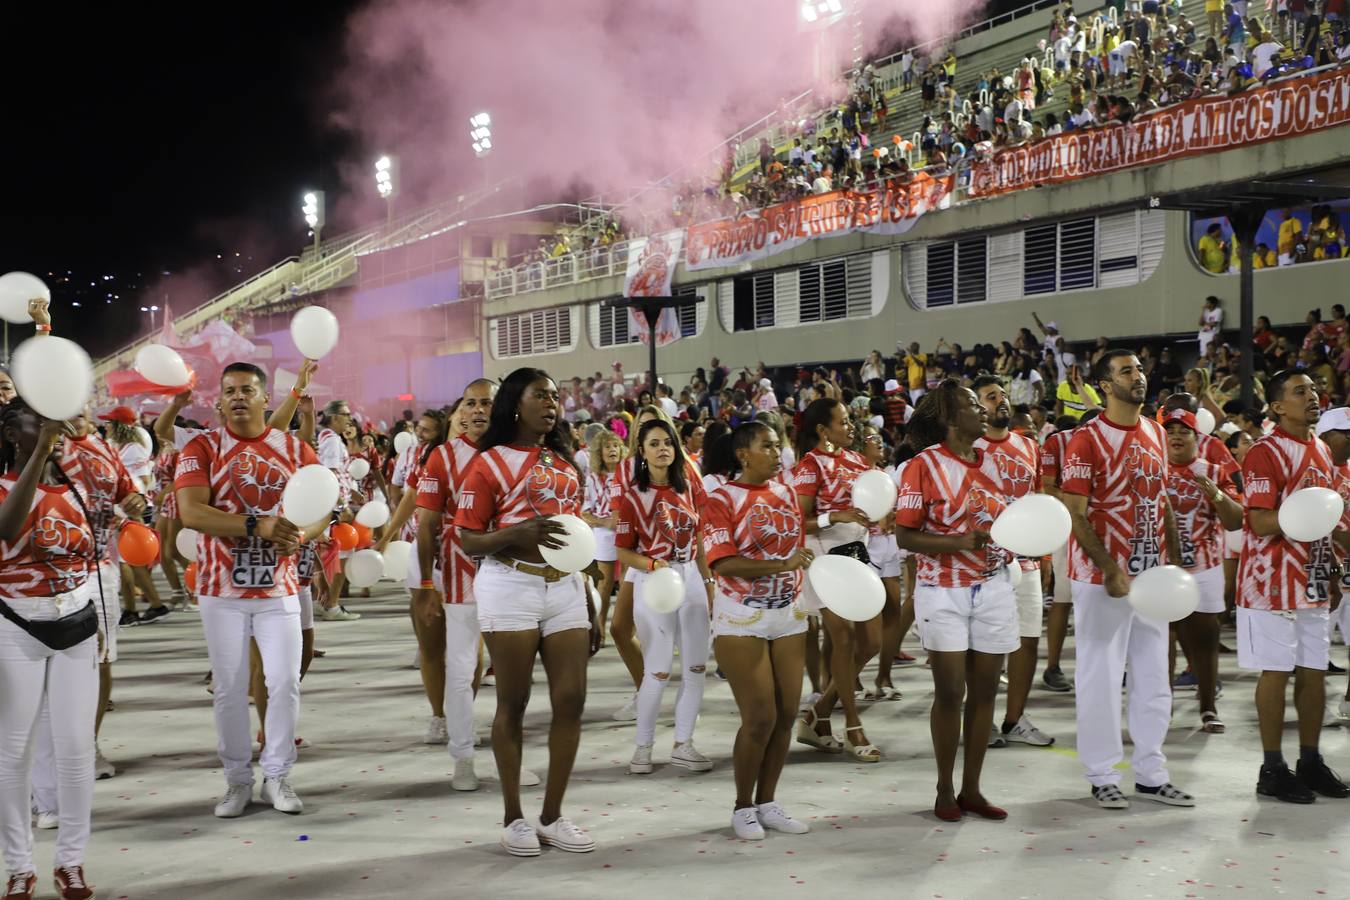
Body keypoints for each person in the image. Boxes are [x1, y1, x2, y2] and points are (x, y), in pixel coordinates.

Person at [456, 367, 598, 857]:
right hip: (510, 585)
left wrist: (590, 598)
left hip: (566, 588)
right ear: (516, 403)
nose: (553, 402)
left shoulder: (564, 462)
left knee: (572, 699)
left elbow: (574, 535)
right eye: (542, 395)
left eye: (556, 395)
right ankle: (514, 817)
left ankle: (554, 816)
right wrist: (516, 533)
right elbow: (467, 537)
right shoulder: (487, 463)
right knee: (512, 703)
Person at [175, 362, 323, 818]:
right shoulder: (202, 448)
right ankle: (237, 780)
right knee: (230, 688)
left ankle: (277, 775)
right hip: (221, 592)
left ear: (266, 400)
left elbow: (322, 508)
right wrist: (258, 525)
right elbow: (192, 513)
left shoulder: (295, 449)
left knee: (284, 684)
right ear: (219, 402)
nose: (238, 397)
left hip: (279, 588)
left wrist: (299, 535)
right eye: (230, 391)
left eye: (248, 390)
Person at [1060, 349, 1195, 810]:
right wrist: (1109, 567)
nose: (1137, 377)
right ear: (1104, 385)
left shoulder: (1156, 432)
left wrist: (1174, 555)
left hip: (1152, 575)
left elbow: (1163, 499)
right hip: (1103, 579)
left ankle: (1152, 773)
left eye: (1139, 370)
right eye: (1125, 372)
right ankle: (1101, 774)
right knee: (1099, 676)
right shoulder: (1087, 440)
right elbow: (1074, 515)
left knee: (1155, 676)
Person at [895, 380, 1018, 821]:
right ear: (950, 418)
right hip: (941, 591)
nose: (983, 411)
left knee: (985, 692)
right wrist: (959, 541)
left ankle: (973, 790)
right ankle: (944, 789)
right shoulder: (922, 466)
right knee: (951, 692)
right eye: (972, 405)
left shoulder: (996, 464)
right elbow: (904, 534)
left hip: (995, 587)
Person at [0, 397, 103, 900]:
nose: (45, 428)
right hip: (17, 627)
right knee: (12, 754)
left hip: (76, 628)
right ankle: (19, 865)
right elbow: (7, 528)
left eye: (48, 421)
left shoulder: (74, 490)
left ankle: (72, 861)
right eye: (32, 421)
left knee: (76, 749)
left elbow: (88, 556)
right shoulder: (3, 488)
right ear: (9, 435)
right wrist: (41, 453)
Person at [1236, 370, 1350, 803]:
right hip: (1269, 582)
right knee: (1277, 671)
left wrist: (1334, 569)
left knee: (1315, 671)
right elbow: (1259, 519)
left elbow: (1327, 520)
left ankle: (1310, 759)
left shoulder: (1322, 449)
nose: (1312, 396)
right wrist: (1299, 520)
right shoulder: (1264, 452)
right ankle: (1272, 767)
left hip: (1313, 578)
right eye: (1299, 392)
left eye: (1315, 389)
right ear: (1278, 407)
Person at [704, 420, 815, 840]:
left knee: (787, 714)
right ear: (742, 454)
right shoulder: (720, 499)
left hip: (789, 613)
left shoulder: (786, 492)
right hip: (740, 618)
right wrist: (780, 566)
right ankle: (742, 806)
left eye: (778, 445)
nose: (776, 452)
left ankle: (768, 802)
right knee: (759, 718)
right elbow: (722, 562)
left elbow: (801, 540)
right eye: (766, 446)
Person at [415, 379, 502, 791]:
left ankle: (508, 756)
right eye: (472, 403)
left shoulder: (519, 452)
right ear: (460, 412)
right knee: (462, 665)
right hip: (458, 572)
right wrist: (427, 584)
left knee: (509, 669)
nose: (480, 410)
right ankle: (463, 757)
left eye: (489, 402)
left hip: (512, 572)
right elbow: (427, 524)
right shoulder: (441, 457)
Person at [617, 419, 715, 775]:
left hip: (690, 577)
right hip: (653, 582)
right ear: (641, 451)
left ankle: (683, 744)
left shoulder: (689, 487)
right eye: (654, 443)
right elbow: (622, 551)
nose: (662, 449)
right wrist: (652, 563)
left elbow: (701, 538)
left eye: (668, 443)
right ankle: (642, 748)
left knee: (696, 668)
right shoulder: (633, 496)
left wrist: (707, 581)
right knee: (656, 671)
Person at [792, 399, 881, 762]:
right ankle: (853, 726)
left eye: (849, 421)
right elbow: (796, 520)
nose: (850, 427)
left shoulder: (858, 462)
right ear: (822, 430)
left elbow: (868, 504)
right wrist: (834, 516)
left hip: (858, 555)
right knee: (841, 637)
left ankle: (817, 714)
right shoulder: (809, 466)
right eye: (842, 422)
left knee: (872, 642)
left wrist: (876, 517)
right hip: (825, 559)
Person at [970, 376, 1053, 748]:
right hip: (984, 561)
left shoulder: (1028, 446)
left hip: (1027, 559)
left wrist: (1046, 553)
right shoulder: (970, 449)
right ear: (976, 407)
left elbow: (1037, 501)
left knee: (1029, 641)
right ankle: (979, 720)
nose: (1000, 402)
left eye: (1002, 396)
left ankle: (1015, 719)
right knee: (984, 647)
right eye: (990, 397)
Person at [1162, 408, 1244, 733]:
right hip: (1161, 570)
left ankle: (1208, 707)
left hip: (1205, 568)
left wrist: (1216, 494)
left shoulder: (1212, 470)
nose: (1177, 437)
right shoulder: (1153, 469)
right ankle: (1161, 704)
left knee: (1206, 639)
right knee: (1163, 638)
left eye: (1185, 431)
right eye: (1170, 431)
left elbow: (1236, 520)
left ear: (1198, 438)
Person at [1315, 407, 1350, 725]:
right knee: (1311, 646)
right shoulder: (1313, 467)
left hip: (1346, 560)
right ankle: (1313, 704)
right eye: (1345, 433)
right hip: (1314, 565)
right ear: (1324, 435)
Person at [315, 400, 361, 621]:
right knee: (342, 556)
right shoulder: (332, 440)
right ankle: (331, 605)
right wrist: (340, 506)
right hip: (334, 509)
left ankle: (323, 602)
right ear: (334, 417)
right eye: (346, 413)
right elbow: (330, 474)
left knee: (326, 557)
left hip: (329, 506)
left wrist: (351, 492)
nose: (349, 418)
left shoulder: (325, 437)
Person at [580, 429, 625, 645]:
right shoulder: (592, 478)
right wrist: (606, 522)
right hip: (604, 535)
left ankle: (626, 629)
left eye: (615, 445)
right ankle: (599, 630)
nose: (612, 450)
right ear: (599, 452)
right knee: (605, 585)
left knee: (628, 583)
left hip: (629, 533)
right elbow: (584, 512)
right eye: (607, 446)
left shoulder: (629, 475)